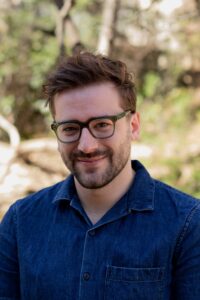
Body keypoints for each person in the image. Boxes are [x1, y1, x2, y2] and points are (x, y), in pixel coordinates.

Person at [0, 52, 200, 300]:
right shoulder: (20, 223)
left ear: (134, 126)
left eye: (102, 124)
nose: (87, 145)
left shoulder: (189, 225)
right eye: (70, 128)